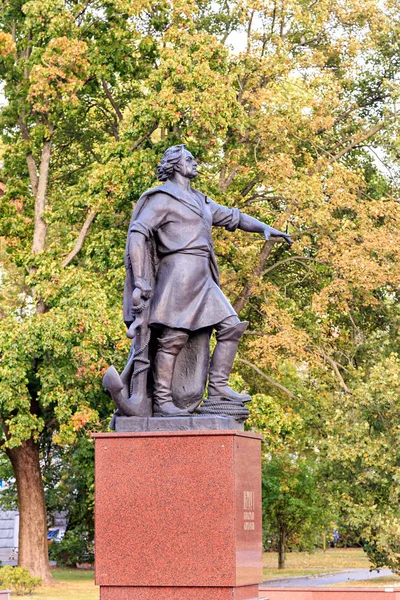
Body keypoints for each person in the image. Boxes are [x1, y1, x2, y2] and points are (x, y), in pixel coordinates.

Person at [123, 144, 292, 417]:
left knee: (231, 327)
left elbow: (233, 217)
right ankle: (163, 401)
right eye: (189, 159)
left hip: (203, 274)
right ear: (176, 165)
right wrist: (141, 279)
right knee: (174, 338)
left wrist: (264, 227)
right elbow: (137, 234)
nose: (195, 163)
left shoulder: (201, 201)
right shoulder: (162, 198)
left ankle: (219, 388)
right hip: (178, 272)